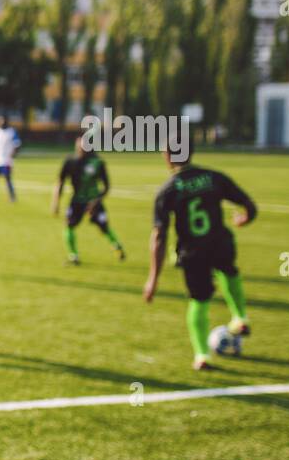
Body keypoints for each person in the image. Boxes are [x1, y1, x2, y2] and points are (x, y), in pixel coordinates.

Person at [143, 136, 256, 370]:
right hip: (220, 243)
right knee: (228, 271)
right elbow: (249, 205)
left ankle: (202, 355)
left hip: (193, 252)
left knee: (199, 300)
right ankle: (240, 317)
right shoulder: (214, 177)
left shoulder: (168, 190)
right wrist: (245, 218)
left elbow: (159, 236)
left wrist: (153, 278)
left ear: (168, 156)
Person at [52, 135, 125, 264]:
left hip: (94, 201)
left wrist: (96, 201)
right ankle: (73, 256)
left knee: (104, 228)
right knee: (68, 226)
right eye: (79, 143)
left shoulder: (98, 162)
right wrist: (55, 202)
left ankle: (117, 246)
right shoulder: (70, 161)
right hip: (77, 201)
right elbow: (60, 181)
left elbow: (107, 186)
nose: (81, 147)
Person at [0, 115, 19, 202]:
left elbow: (17, 145)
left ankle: (12, 196)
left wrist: (12, 157)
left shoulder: (11, 132)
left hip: (6, 161)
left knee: (8, 179)